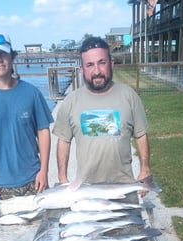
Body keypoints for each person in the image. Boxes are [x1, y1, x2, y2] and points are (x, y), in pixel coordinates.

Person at [0, 28, 53, 204]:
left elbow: (43, 132)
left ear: (12, 56)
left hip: (33, 180)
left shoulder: (31, 93)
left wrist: (43, 171)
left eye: (3, 53)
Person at [53, 36, 151, 184]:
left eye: (102, 63)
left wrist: (145, 169)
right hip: (86, 190)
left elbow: (141, 135)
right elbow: (64, 141)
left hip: (124, 188)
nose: (97, 71)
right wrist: (62, 177)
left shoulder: (129, 96)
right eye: (90, 65)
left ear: (111, 63)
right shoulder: (71, 102)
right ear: (82, 69)